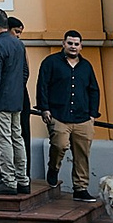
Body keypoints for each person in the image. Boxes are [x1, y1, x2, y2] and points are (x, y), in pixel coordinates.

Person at [36, 28, 104, 200]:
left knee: (82, 154)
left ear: (81, 46)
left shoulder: (86, 66)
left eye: (76, 44)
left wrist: (92, 114)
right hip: (58, 115)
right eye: (70, 43)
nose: (73, 46)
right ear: (63, 44)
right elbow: (42, 85)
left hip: (83, 117)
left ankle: (80, 188)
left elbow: (94, 90)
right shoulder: (51, 62)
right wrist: (44, 108)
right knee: (59, 145)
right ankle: (53, 168)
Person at [0, 11, 30, 193]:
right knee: (17, 139)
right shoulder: (18, 43)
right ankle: (23, 179)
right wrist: (17, 89)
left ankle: (9, 181)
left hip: (1, 101)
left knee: (3, 141)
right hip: (17, 99)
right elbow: (25, 72)